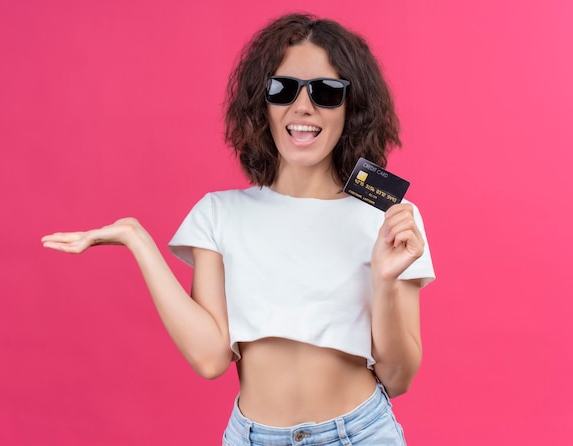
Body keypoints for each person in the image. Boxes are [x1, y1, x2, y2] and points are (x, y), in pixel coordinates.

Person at [41, 12, 435, 445]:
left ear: (352, 107)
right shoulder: (219, 214)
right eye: (283, 89)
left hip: (362, 433)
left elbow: (397, 379)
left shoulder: (390, 221)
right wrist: (137, 239)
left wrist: (384, 279)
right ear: (261, 102)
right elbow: (210, 358)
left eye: (326, 92)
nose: (302, 106)